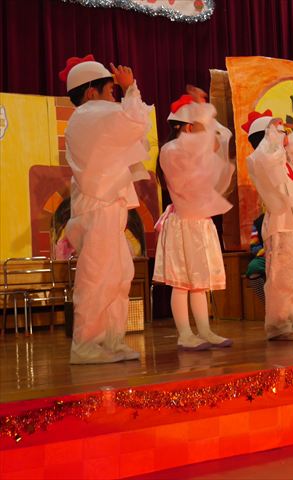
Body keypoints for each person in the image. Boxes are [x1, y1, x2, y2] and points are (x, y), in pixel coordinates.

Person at [59, 55, 150, 364]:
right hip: (98, 209)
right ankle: (86, 345)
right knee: (97, 278)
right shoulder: (89, 115)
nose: (115, 95)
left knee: (119, 275)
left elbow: (132, 127)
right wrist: (130, 87)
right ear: (91, 92)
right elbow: (135, 122)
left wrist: (128, 92)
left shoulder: (90, 116)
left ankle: (112, 341)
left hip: (105, 208)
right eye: (111, 90)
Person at [153, 87, 234, 350]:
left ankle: (205, 330)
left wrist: (203, 114)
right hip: (183, 223)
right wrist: (201, 113)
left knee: (199, 283)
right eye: (199, 127)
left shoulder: (192, 149)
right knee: (182, 282)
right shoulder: (171, 150)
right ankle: (185, 334)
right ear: (188, 128)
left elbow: (218, 142)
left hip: (200, 221)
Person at [244, 110, 293, 340]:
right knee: (282, 275)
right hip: (281, 222)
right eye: (277, 132)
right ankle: (278, 324)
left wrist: (291, 142)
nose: (283, 135)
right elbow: (269, 159)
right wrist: (275, 138)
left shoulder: (285, 159)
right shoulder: (261, 159)